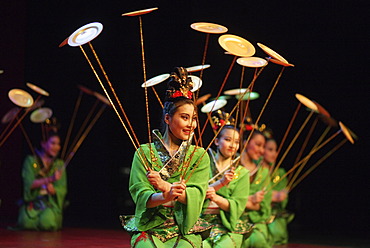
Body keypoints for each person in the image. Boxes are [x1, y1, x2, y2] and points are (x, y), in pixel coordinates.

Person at [122, 67, 210, 248]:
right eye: (184, 117)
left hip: (183, 228)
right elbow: (141, 195)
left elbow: (197, 196)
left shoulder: (199, 155)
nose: (191, 125)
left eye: (194, 119)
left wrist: (165, 186)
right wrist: (166, 195)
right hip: (151, 226)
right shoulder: (144, 153)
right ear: (168, 118)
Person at [202, 123, 250, 248]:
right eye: (228, 140)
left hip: (226, 223)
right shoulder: (203, 164)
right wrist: (220, 183)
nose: (232, 145)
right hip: (200, 221)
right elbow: (195, 193)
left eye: (236, 142)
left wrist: (215, 197)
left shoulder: (242, 173)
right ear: (217, 141)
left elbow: (238, 205)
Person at [17, 131, 67, 231]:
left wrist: (54, 190)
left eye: (58, 144)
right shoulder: (31, 161)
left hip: (50, 203)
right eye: (53, 143)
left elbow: (62, 188)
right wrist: (50, 179)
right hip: (33, 201)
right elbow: (29, 184)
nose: (57, 147)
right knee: (26, 223)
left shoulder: (59, 164)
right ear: (43, 144)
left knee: (47, 223)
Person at [239, 130, 272, 248]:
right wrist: (250, 199)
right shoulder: (232, 166)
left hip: (255, 222)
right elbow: (224, 197)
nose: (262, 150)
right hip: (231, 219)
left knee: (257, 240)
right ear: (246, 142)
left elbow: (263, 205)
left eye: (263, 147)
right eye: (258, 145)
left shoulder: (263, 172)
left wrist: (239, 201)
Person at [262, 138, 294, 246]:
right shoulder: (255, 172)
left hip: (275, 218)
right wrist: (271, 195)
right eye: (270, 149)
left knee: (278, 234)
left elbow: (281, 197)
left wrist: (269, 196)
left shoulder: (280, 173)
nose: (274, 154)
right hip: (257, 215)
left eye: (275, 150)